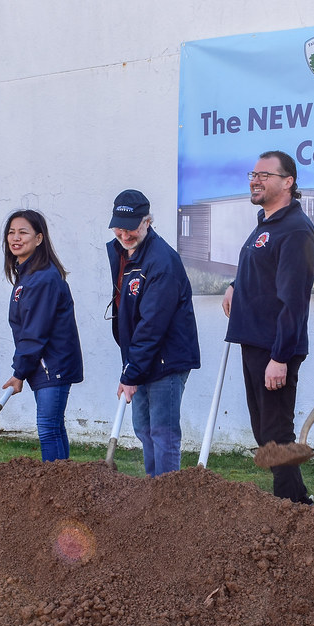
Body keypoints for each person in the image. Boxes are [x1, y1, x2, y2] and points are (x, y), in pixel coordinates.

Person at [222, 151, 314, 505]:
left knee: (276, 434)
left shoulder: (295, 230)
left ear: (288, 181)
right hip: (255, 342)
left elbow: (294, 301)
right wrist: (236, 284)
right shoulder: (266, 224)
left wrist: (280, 357)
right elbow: (261, 268)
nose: (255, 179)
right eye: (253, 174)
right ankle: (294, 502)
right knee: (267, 434)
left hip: (275, 348)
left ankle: (292, 506)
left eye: (264, 174)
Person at [107, 189, 200, 476]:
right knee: (143, 429)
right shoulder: (124, 253)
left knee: (163, 432)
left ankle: (168, 501)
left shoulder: (162, 262)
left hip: (166, 360)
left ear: (148, 221)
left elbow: (152, 324)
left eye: (132, 228)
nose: (125, 235)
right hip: (142, 358)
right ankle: (152, 491)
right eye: (119, 228)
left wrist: (131, 373)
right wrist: (131, 368)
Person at [0, 209, 84, 462]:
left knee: (48, 429)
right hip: (45, 365)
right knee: (54, 428)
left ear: (39, 238)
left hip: (52, 365)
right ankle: (63, 485)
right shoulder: (27, 275)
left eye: (23, 232)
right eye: (11, 233)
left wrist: (18, 372)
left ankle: (56, 488)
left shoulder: (42, 278)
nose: (16, 238)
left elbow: (34, 334)